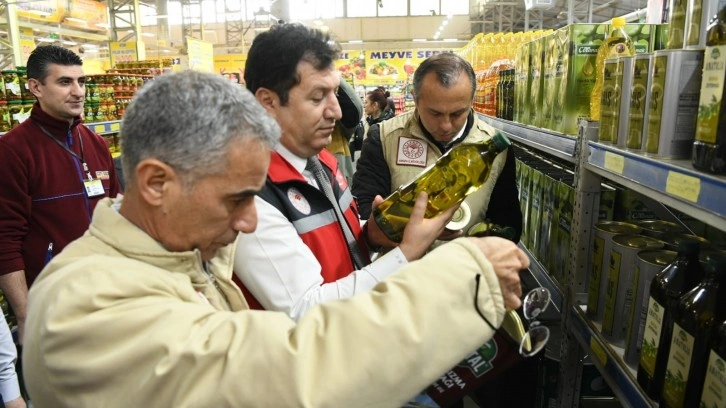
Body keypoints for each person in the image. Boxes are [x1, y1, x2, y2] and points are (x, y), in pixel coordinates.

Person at [22, 70, 528, 407]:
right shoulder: (85, 308)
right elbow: (291, 372)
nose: (249, 223)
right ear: (156, 184)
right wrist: (467, 274)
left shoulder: (183, 258)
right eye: (236, 199)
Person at [235, 23, 450, 320]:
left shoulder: (321, 162)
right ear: (268, 102)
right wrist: (407, 253)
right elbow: (305, 309)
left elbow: (341, 252)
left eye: (334, 92)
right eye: (317, 97)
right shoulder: (250, 194)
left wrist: (372, 234)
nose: (336, 111)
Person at [0, 45, 121, 342]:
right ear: (36, 87)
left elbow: (119, 216)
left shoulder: (95, 144)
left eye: (81, 82)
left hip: (106, 295)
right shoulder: (13, 151)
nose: (78, 91)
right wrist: (26, 313)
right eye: (65, 82)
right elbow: (5, 238)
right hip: (52, 304)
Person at [352, 53, 522, 241]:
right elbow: (363, 211)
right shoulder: (383, 137)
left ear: (471, 100)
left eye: (457, 113)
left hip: (466, 267)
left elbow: (508, 221)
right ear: (415, 99)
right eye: (435, 113)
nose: (446, 126)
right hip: (404, 268)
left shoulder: (496, 151)